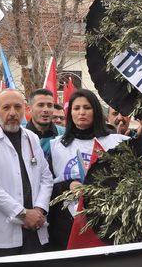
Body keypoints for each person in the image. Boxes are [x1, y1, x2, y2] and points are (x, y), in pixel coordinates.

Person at [0, 89, 53, 256]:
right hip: (2, 233)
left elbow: (46, 178)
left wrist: (39, 210)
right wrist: (23, 214)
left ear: (25, 109)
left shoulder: (32, 138)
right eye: (6, 107)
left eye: (17, 107)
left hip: (35, 227)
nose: (12, 113)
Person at [49, 89, 129, 251]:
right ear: (69, 113)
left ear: (96, 111)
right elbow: (46, 185)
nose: (81, 112)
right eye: (76, 108)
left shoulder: (116, 142)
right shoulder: (56, 145)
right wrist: (68, 186)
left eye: (87, 107)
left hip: (107, 220)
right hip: (67, 222)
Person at [25, 88, 65, 156]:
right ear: (29, 109)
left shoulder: (65, 135)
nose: (46, 109)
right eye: (40, 105)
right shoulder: (20, 135)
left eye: (49, 105)